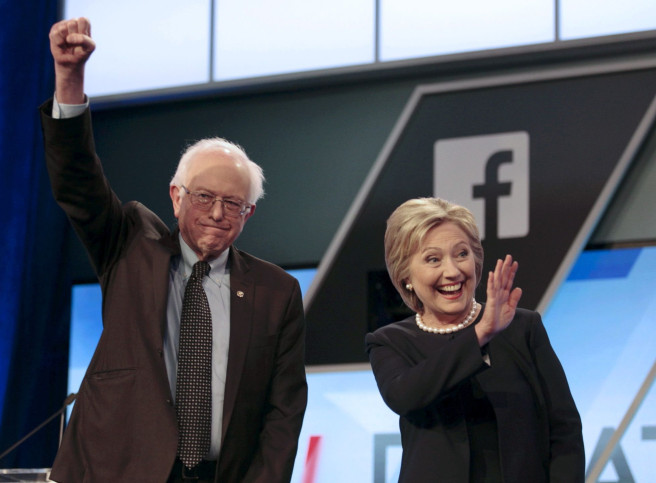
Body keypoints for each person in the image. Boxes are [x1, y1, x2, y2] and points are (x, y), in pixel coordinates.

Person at [41, 17, 307, 483]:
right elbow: (78, 182)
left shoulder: (276, 292)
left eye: (234, 203)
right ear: (176, 196)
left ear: (248, 215)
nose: (218, 213)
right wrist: (70, 80)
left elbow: (283, 415)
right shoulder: (128, 244)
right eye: (204, 196)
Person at [366, 197, 585, 482]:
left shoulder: (523, 328)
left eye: (461, 254)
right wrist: (481, 333)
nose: (453, 271)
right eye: (433, 259)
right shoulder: (390, 342)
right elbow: (405, 395)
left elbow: (564, 430)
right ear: (405, 274)